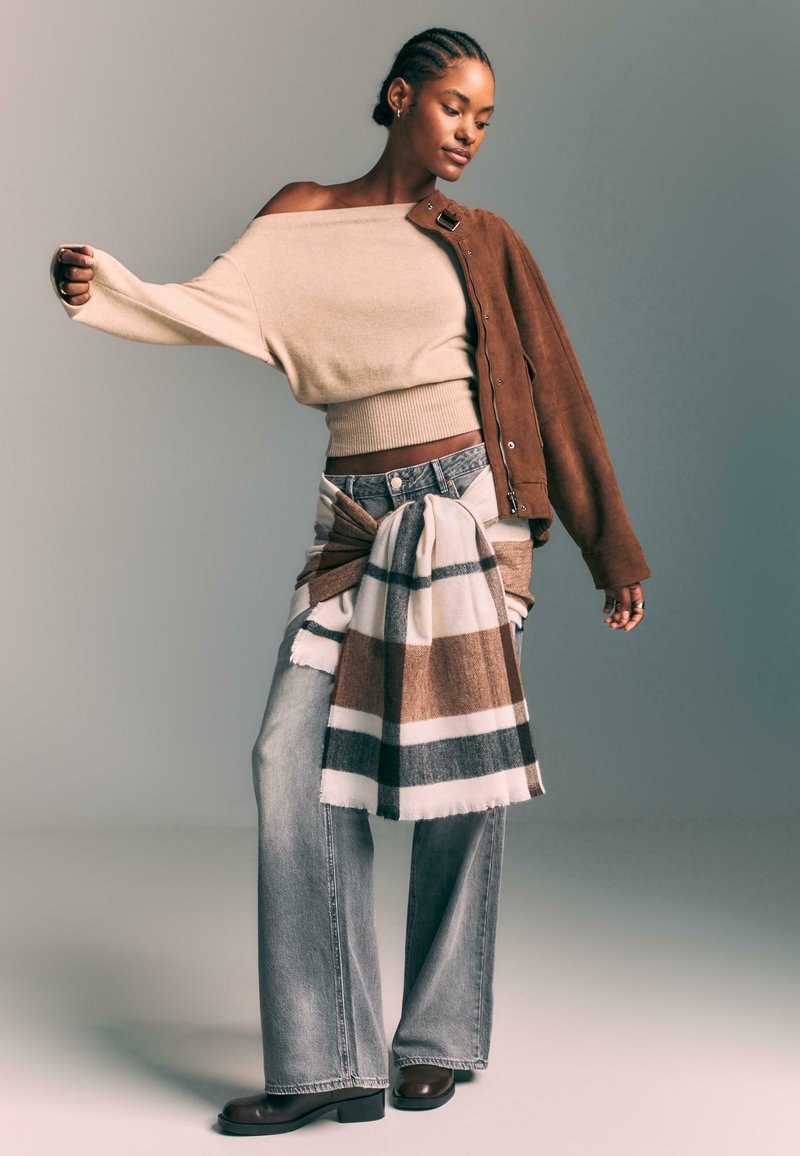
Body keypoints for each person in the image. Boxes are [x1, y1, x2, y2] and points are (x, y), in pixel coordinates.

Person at [50, 27, 650, 1136]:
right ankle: (328, 1060)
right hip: (356, 517)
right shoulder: (302, 215)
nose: (468, 132)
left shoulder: (484, 241)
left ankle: (436, 1037)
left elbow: (554, 392)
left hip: (470, 504)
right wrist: (105, 286)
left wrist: (609, 547)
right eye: (451, 106)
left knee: (459, 777)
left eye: (483, 117)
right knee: (292, 758)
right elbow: (208, 306)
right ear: (397, 97)